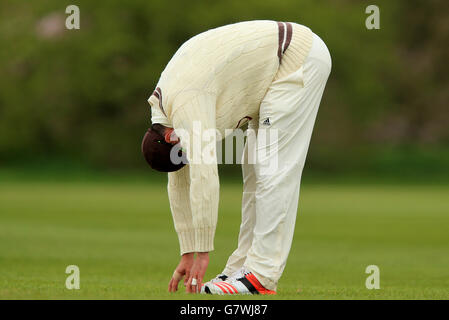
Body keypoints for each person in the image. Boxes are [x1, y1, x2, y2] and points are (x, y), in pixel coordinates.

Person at [142, 20, 331, 295]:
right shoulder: (165, 116)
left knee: (272, 169)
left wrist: (204, 252)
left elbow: (204, 174)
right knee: (254, 170)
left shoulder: (185, 102)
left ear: (171, 139)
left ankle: (261, 276)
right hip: (271, 72)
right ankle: (240, 268)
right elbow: (180, 180)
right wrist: (188, 251)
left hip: (296, 57)